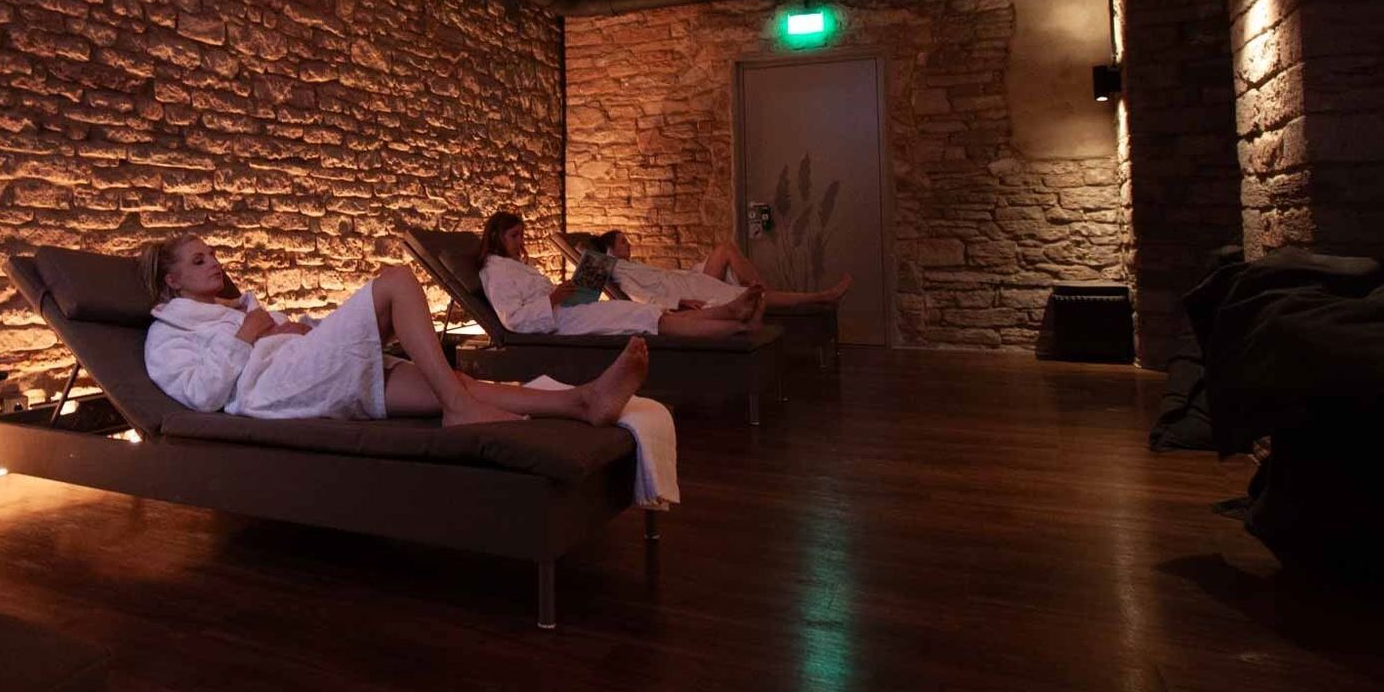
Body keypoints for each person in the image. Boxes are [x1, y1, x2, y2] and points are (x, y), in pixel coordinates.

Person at [140, 234, 649, 428]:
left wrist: (296, 327)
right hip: (277, 391)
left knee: (449, 381)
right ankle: (459, 409)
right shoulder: (168, 334)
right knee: (397, 281)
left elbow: (273, 340)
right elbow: (202, 395)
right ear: (172, 280)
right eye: (199, 260)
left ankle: (582, 402)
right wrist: (249, 335)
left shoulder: (235, 309)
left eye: (212, 254)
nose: (215, 263)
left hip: (305, 369)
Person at [476, 212, 762, 338]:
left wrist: (567, 292)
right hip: (560, 322)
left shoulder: (515, 265)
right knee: (648, 317)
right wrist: (552, 300)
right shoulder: (495, 272)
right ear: (497, 236)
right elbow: (513, 320)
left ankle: (731, 313)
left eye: (521, 235)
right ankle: (738, 327)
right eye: (514, 236)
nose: (521, 242)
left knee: (651, 316)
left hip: (571, 310)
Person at [583, 229, 852, 313]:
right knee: (755, 295)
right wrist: (678, 302)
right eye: (623, 242)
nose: (629, 244)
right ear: (609, 250)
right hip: (687, 290)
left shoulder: (630, 265)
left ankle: (768, 295)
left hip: (688, 281)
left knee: (725, 249)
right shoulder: (617, 270)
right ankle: (822, 297)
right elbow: (640, 297)